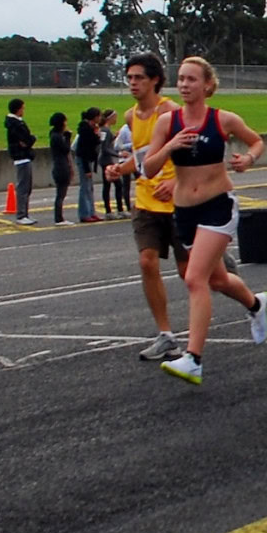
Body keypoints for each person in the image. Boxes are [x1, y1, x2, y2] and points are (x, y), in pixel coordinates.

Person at [134, 56, 267, 385]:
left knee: (194, 278)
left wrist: (248, 159)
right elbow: (148, 169)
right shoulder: (167, 122)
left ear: (207, 85)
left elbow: (257, 140)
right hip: (185, 212)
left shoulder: (222, 119)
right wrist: (170, 146)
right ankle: (256, 304)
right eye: (180, 79)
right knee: (218, 280)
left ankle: (193, 358)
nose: (184, 85)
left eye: (191, 79)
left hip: (218, 206)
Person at [103, 53, 187, 362]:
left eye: (139, 77)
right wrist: (120, 170)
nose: (133, 83)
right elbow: (142, 157)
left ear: (155, 80)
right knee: (147, 261)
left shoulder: (171, 112)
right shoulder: (129, 117)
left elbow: (193, 152)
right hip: (147, 199)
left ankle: (251, 301)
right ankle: (166, 335)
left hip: (177, 201)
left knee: (189, 273)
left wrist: (177, 182)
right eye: (129, 78)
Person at [5, 98, 36, 224]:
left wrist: (28, 140)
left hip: (24, 156)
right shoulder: (15, 125)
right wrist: (31, 139)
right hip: (21, 157)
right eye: (22, 108)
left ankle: (25, 213)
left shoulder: (17, 123)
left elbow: (26, 140)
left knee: (27, 187)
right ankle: (21, 215)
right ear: (18, 109)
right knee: (23, 187)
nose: (24, 110)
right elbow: (26, 140)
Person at [75, 108, 103, 222]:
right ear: (95, 117)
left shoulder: (91, 128)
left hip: (88, 160)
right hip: (84, 160)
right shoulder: (85, 130)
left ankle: (91, 212)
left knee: (89, 187)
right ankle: (84, 213)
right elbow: (84, 150)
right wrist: (87, 169)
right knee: (85, 187)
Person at [97, 109, 124, 219]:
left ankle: (110, 210)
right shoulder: (105, 130)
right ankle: (117, 210)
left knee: (108, 185)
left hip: (106, 160)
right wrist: (119, 155)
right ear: (110, 118)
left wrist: (114, 137)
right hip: (106, 160)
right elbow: (105, 148)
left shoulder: (106, 130)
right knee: (117, 184)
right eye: (115, 117)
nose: (116, 119)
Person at [48, 113, 75, 225]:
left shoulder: (54, 134)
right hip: (61, 167)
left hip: (58, 165)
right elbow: (66, 149)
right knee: (61, 193)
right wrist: (68, 137)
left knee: (60, 193)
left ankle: (59, 217)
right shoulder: (57, 137)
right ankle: (59, 218)